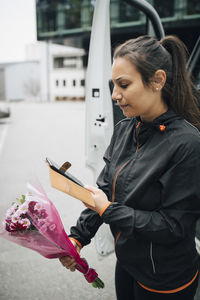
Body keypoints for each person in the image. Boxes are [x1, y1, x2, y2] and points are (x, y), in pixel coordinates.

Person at [59, 35, 200, 300]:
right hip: (127, 266)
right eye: (114, 85)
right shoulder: (124, 128)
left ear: (158, 80)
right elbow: (104, 189)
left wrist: (109, 211)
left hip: (167, 279)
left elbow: (174, 227)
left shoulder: (186, 144)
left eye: (123, 84)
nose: (114, 95)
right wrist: (77, 237)